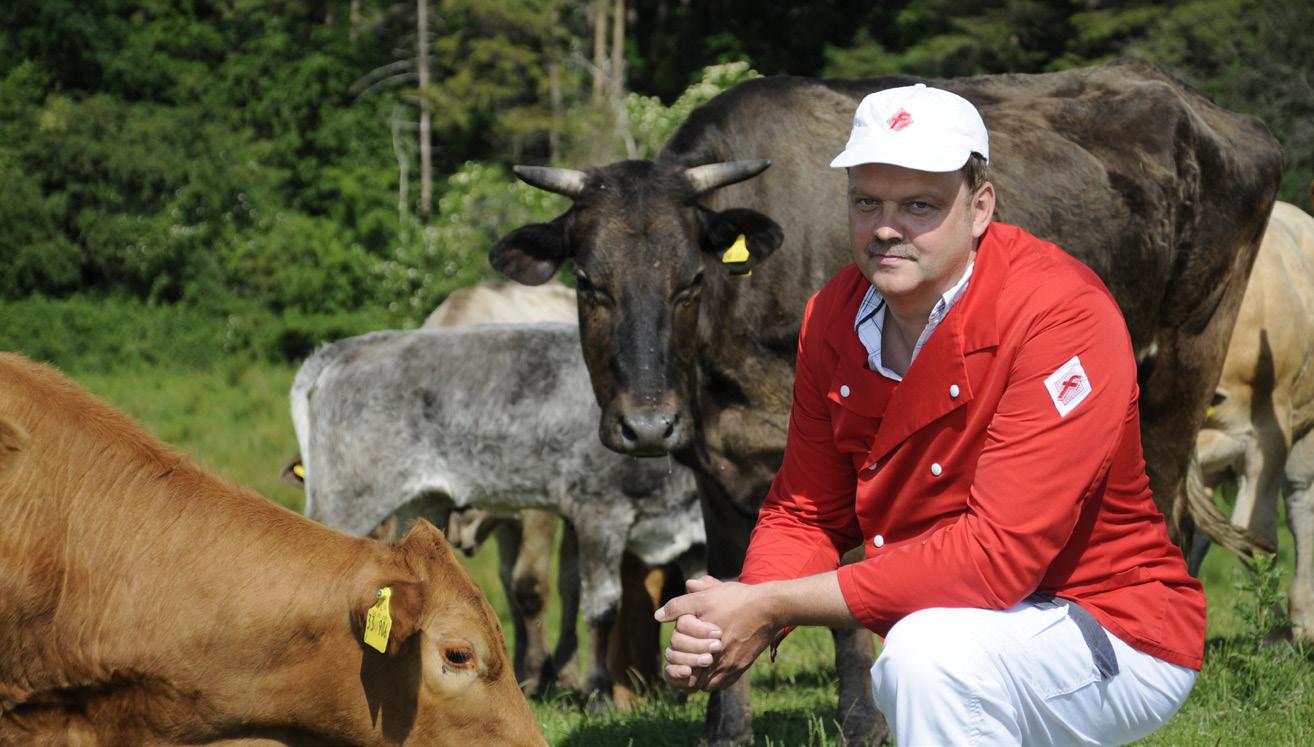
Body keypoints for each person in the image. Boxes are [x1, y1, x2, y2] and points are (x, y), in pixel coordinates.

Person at [655, 84, 1205, 745]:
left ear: (980, 208)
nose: (887, 228)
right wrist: (733, 618)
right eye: (867, 202)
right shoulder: (833, 313)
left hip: (1109, 624)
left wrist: (768, 603)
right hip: (959, 619)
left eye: (920, 205)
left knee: (925, 658)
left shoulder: (1060, 315)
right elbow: (806, 509)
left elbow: (995, 557)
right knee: (927, 650)